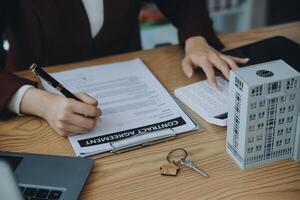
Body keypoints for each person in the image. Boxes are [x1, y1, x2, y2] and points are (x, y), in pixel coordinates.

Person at [0, 0, 249, 136]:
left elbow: (185, 6)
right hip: (36, 110)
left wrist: (196, 38)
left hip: (133, 85)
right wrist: (40, 103)